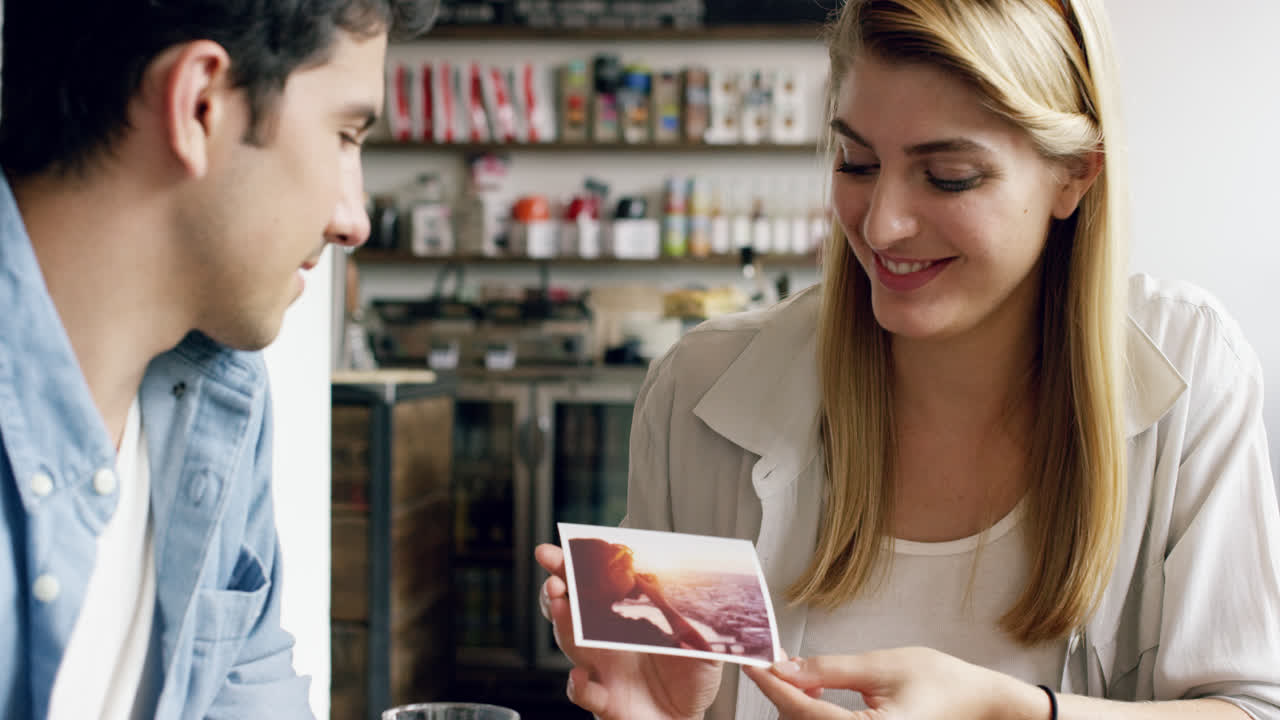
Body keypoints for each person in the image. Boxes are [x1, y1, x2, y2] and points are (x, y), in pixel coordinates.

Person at [535, 0, 1280, 718]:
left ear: (1076, 174)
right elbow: (661, 687)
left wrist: (1010, 714)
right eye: (856, 163)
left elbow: (1250, 706)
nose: (882, 226)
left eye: (949, 175)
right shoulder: (700, 390)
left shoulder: (1188, 371)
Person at [0, 1, 436, 718]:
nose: (353, 219)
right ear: (199, 104)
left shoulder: (221, 394)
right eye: (345, 135)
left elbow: (252, 684)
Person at [567, 538, 714, 653]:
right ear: (615, 571)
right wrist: (660, 601)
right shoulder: (635, 631)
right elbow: (704, 654)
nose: (637, 575)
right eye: (631, 570)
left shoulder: (575, 615)